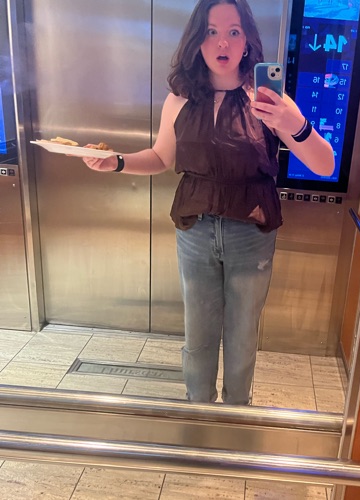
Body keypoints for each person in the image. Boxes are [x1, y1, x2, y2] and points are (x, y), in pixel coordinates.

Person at [83, 0, 334, 405]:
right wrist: (118, 162)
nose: (223, 43)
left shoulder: (269, 100)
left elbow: (324, 165)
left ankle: (236, 412)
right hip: (195, 231)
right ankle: (198, 411)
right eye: (212, 31)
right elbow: (162, 158)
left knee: (242, 336)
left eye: (234, 32)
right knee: (198, 335)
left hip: (251, 235)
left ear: (248, 40)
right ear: (197, 39)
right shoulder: (180, 100)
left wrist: (295, 124)